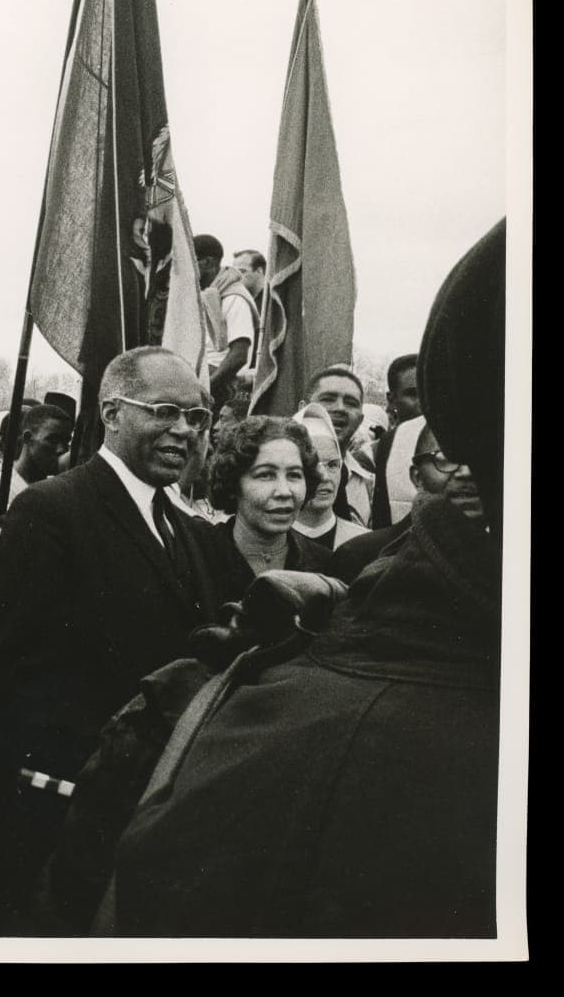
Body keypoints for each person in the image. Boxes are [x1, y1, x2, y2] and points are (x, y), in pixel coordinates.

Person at [109, 218, 505, 937]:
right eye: (267, 473)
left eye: (300, 472)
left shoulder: (346, 564)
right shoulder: (206, 565)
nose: (287, 489)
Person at [0, 345, 237, 929]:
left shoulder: (182, 525)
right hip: (65, 816)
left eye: (197, 418)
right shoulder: (52, 511)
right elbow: (7, 674)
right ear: (112, 414)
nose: (184, 431)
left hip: (146, 807)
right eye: (164, 411)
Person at [332, 416, 485, 585]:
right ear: (417, 477)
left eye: (478, 459)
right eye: (446, 459)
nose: (466, 472)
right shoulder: (361, 556)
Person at [206, 415, 334, 583]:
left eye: (294, 475)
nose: (284, 491)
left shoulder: (325, 565)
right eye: (265, 475)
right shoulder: (201, 554)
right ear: (233, 484)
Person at [0, 402, 73, 527]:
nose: (61, 450)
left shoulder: (55, 489)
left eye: (66, 442)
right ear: (28, 438)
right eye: (52, 440)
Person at [193, 234, 259, 410]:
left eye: (191, 262)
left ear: (207, 263)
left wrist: (205, 390)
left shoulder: (234, 298)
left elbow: (239, 355)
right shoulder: (206, 295)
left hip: (219, 390)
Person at [291, 404, 369, 552]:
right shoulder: (269, 543)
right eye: (312, 465)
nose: (325, 477)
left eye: (332, 465)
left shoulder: (365, 544)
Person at [304, 363, 375, 526]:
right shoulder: (278, 469)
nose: (340, 408)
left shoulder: (369, 482)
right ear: (303, 408)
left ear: (361, 419)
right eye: (328, 399)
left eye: (351, 402)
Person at [367, 353, 423, 529]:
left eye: (431, 390)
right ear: (392, 399)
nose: (424, 402)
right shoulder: (384, 446)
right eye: (413, 394)